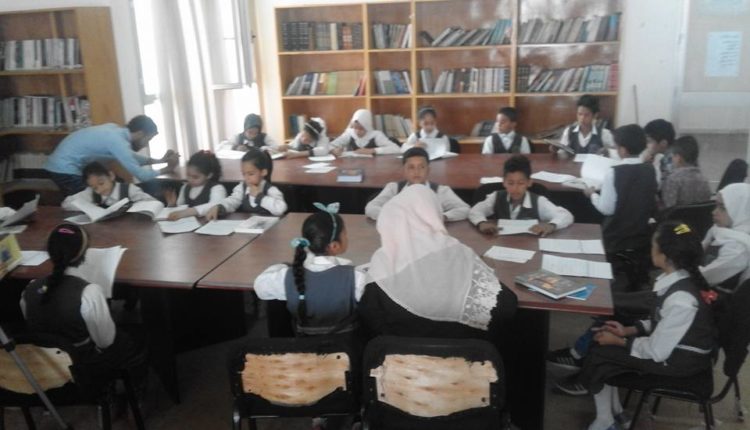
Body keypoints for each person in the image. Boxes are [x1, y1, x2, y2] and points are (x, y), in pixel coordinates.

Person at [575, 222, 716, 430]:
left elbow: (657, 351)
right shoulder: (679, 279)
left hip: (679, 362)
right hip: (672, 350)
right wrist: (629, 330)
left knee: (599, 352)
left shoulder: (681, 299)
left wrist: (621, 341)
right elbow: (661, 320)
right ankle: (615, 413)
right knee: (603, 345)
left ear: (665, 256)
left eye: (653, 246)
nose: (650, 250)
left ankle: (605, 421)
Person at [358, 184, 518, 341]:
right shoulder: (460, 254)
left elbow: (370, 318)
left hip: (396, 356)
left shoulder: (383, 263)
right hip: (467, 355)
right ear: (434, 214)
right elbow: (506, 307)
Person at [20, 224, 145, 380]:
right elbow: (106, 342)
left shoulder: (30, 289)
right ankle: (137, 382)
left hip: (46, 363)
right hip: (82, 365)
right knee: (134, 339)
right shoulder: (89, 292)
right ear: (84, 254)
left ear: (50, 253)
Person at [254, 203, 366, 336]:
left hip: (304, 346)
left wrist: (285, 265)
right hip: (346, 346)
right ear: (334, 246)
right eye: (345, 235)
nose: (347, 238)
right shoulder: (356, 277)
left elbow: (260, 286)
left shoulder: (288, 276)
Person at [584, 124, 656, 290]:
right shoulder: (651, 170)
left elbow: (607, 209)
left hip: (616, 236)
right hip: (641, 234)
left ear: (622, 150)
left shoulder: (614, 173)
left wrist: (592, 194)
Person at [45, 115, 179, 196]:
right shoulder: (118, 141)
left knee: (118, 187)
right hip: (64, 170)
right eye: (148, 139)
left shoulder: (116, 131)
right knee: (88, 202)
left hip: (63, 166)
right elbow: (142, 176)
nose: (146, 145)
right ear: (140, 133)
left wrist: (161, 160)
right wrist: (167, 169)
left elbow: (131, 157)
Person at [469, 155, 573, 236]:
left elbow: (565, 215)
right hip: (501, 244)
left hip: (529, 247)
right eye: (510, 183)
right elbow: (475, 211)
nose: (515, 188)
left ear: (529, 182)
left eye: (521, 183)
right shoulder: (496, 197)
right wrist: (481, 223)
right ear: (504, 182)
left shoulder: (538, 201)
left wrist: (551, 225)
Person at [365, 147, 469, 221]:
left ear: (428, 170)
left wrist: (443, 217)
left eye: (421, 167)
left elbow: (465, 209)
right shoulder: (394, 188)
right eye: (411, 167)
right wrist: (392, 216)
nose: (416, 172)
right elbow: (371, 207)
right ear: (404, 170)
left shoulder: (440, 190)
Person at [206, 148, 287, 219]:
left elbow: (280, 209)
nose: (246, 178)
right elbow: (233, 201)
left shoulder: (271, 190)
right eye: (244, 174)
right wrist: (221, 206)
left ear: (263, 172)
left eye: (251, 174)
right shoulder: (242, 188)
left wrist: (260, 197)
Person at [701, 183, 750, 292]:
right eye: (716, 206)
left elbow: (705, 277)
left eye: (722, 208)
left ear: (741, 210)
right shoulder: (720, 231)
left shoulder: (739, 247)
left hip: (716, 297)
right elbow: (698, 250)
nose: (714, 212)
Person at [61, 161, 156, 210]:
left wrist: (136, 206)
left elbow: (153, 203)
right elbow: (66, 203)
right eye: (94, 187)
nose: (99, 190)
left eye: (101, 183)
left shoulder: (130, 190)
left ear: (111, 176)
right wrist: (89, 207)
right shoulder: (91, 193)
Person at [164, 150, 227, 220]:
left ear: (209, 175)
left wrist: (187, 212)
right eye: (188, 175)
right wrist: (172, 205)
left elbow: (216, 206)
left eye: (195, 177)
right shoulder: (185, 187)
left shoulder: (217, 188)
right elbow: (180, 209)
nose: (190, 179)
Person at [659, 136, 712, 209]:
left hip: (677, 216)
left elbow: (668, 208)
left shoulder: (673, 179)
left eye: (673, 156)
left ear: (678, 157)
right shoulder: (704, 180)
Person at [329, 109, 400, 155]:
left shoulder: (376, 135)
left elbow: (396, 149)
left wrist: (373, 150)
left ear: (367, 126)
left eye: (361, 128)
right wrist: (334, 150)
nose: (357, 131)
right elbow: (329, 145)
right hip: (353, 166)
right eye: (355, 128)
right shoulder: (349, 134)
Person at [642, 119, 676, 186]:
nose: (646, 145)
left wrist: (646, 166)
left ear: (663, 143)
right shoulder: (673, 154)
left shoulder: (670, 160)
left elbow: (665, 188)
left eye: (649, 141)